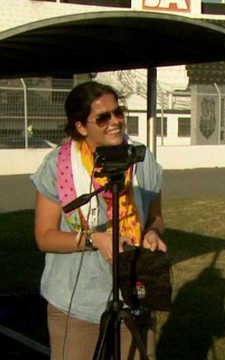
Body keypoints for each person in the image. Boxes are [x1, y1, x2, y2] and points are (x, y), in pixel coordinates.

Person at [31, 81, 166, 359]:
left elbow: (156, 217)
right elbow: (44, 236)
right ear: (81, 127)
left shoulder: (141, 158)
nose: (115, 122)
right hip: (77, 304)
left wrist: (152, 232)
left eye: (118, 112)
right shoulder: (58, 164)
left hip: (134, 295)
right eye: (103, 117)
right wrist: (94, 239)